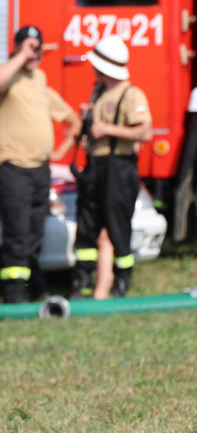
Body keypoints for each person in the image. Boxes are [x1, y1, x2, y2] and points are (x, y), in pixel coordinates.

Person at [0, 25, 80, 304]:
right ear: (16, 47)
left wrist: (60, 150)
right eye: (28, 46)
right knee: (17, 235)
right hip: (11, 167)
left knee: (34, 233)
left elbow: (73, 120)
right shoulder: (4, 79)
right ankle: (14, 296)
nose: (34, 52)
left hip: (40, 169)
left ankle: (33, 286)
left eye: (37, 47)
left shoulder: (39, 79)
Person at [70, 36, 151, 299]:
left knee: (118, 226)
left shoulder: (131, 93)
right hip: (96, 165)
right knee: (87, 225)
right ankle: (83, 281)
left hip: (119, 168)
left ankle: (122, 281)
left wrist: (105, 129)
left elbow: (145, 131)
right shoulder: (99, 93)